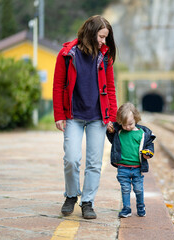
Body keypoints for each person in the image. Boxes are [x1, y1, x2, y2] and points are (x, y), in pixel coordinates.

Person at [52, 15, 117, 219]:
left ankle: (88, 202)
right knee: (71, 159)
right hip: (73, 116)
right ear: (90, 32)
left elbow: (111, 89)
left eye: (106, 38)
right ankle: (71, 195)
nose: (103, 41)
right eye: (101, 36)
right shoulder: (66, 54)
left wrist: (112, 118)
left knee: (94, 163)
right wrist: (59, 115)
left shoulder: (105, 57)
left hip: (98, 117)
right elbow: (58, 85)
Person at [106, 102, 156, 218]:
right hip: (123, 167)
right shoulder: (119, 133)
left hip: (138, 168)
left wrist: (148, 154)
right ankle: (126, 208)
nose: (127, 127)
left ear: (136, 119)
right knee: (125, 189)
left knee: (138, 189)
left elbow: (149, 146)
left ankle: (140, 206)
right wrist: (110, 131)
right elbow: (112, 140)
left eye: (130, 124)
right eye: (124, 125)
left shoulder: (142, 134)